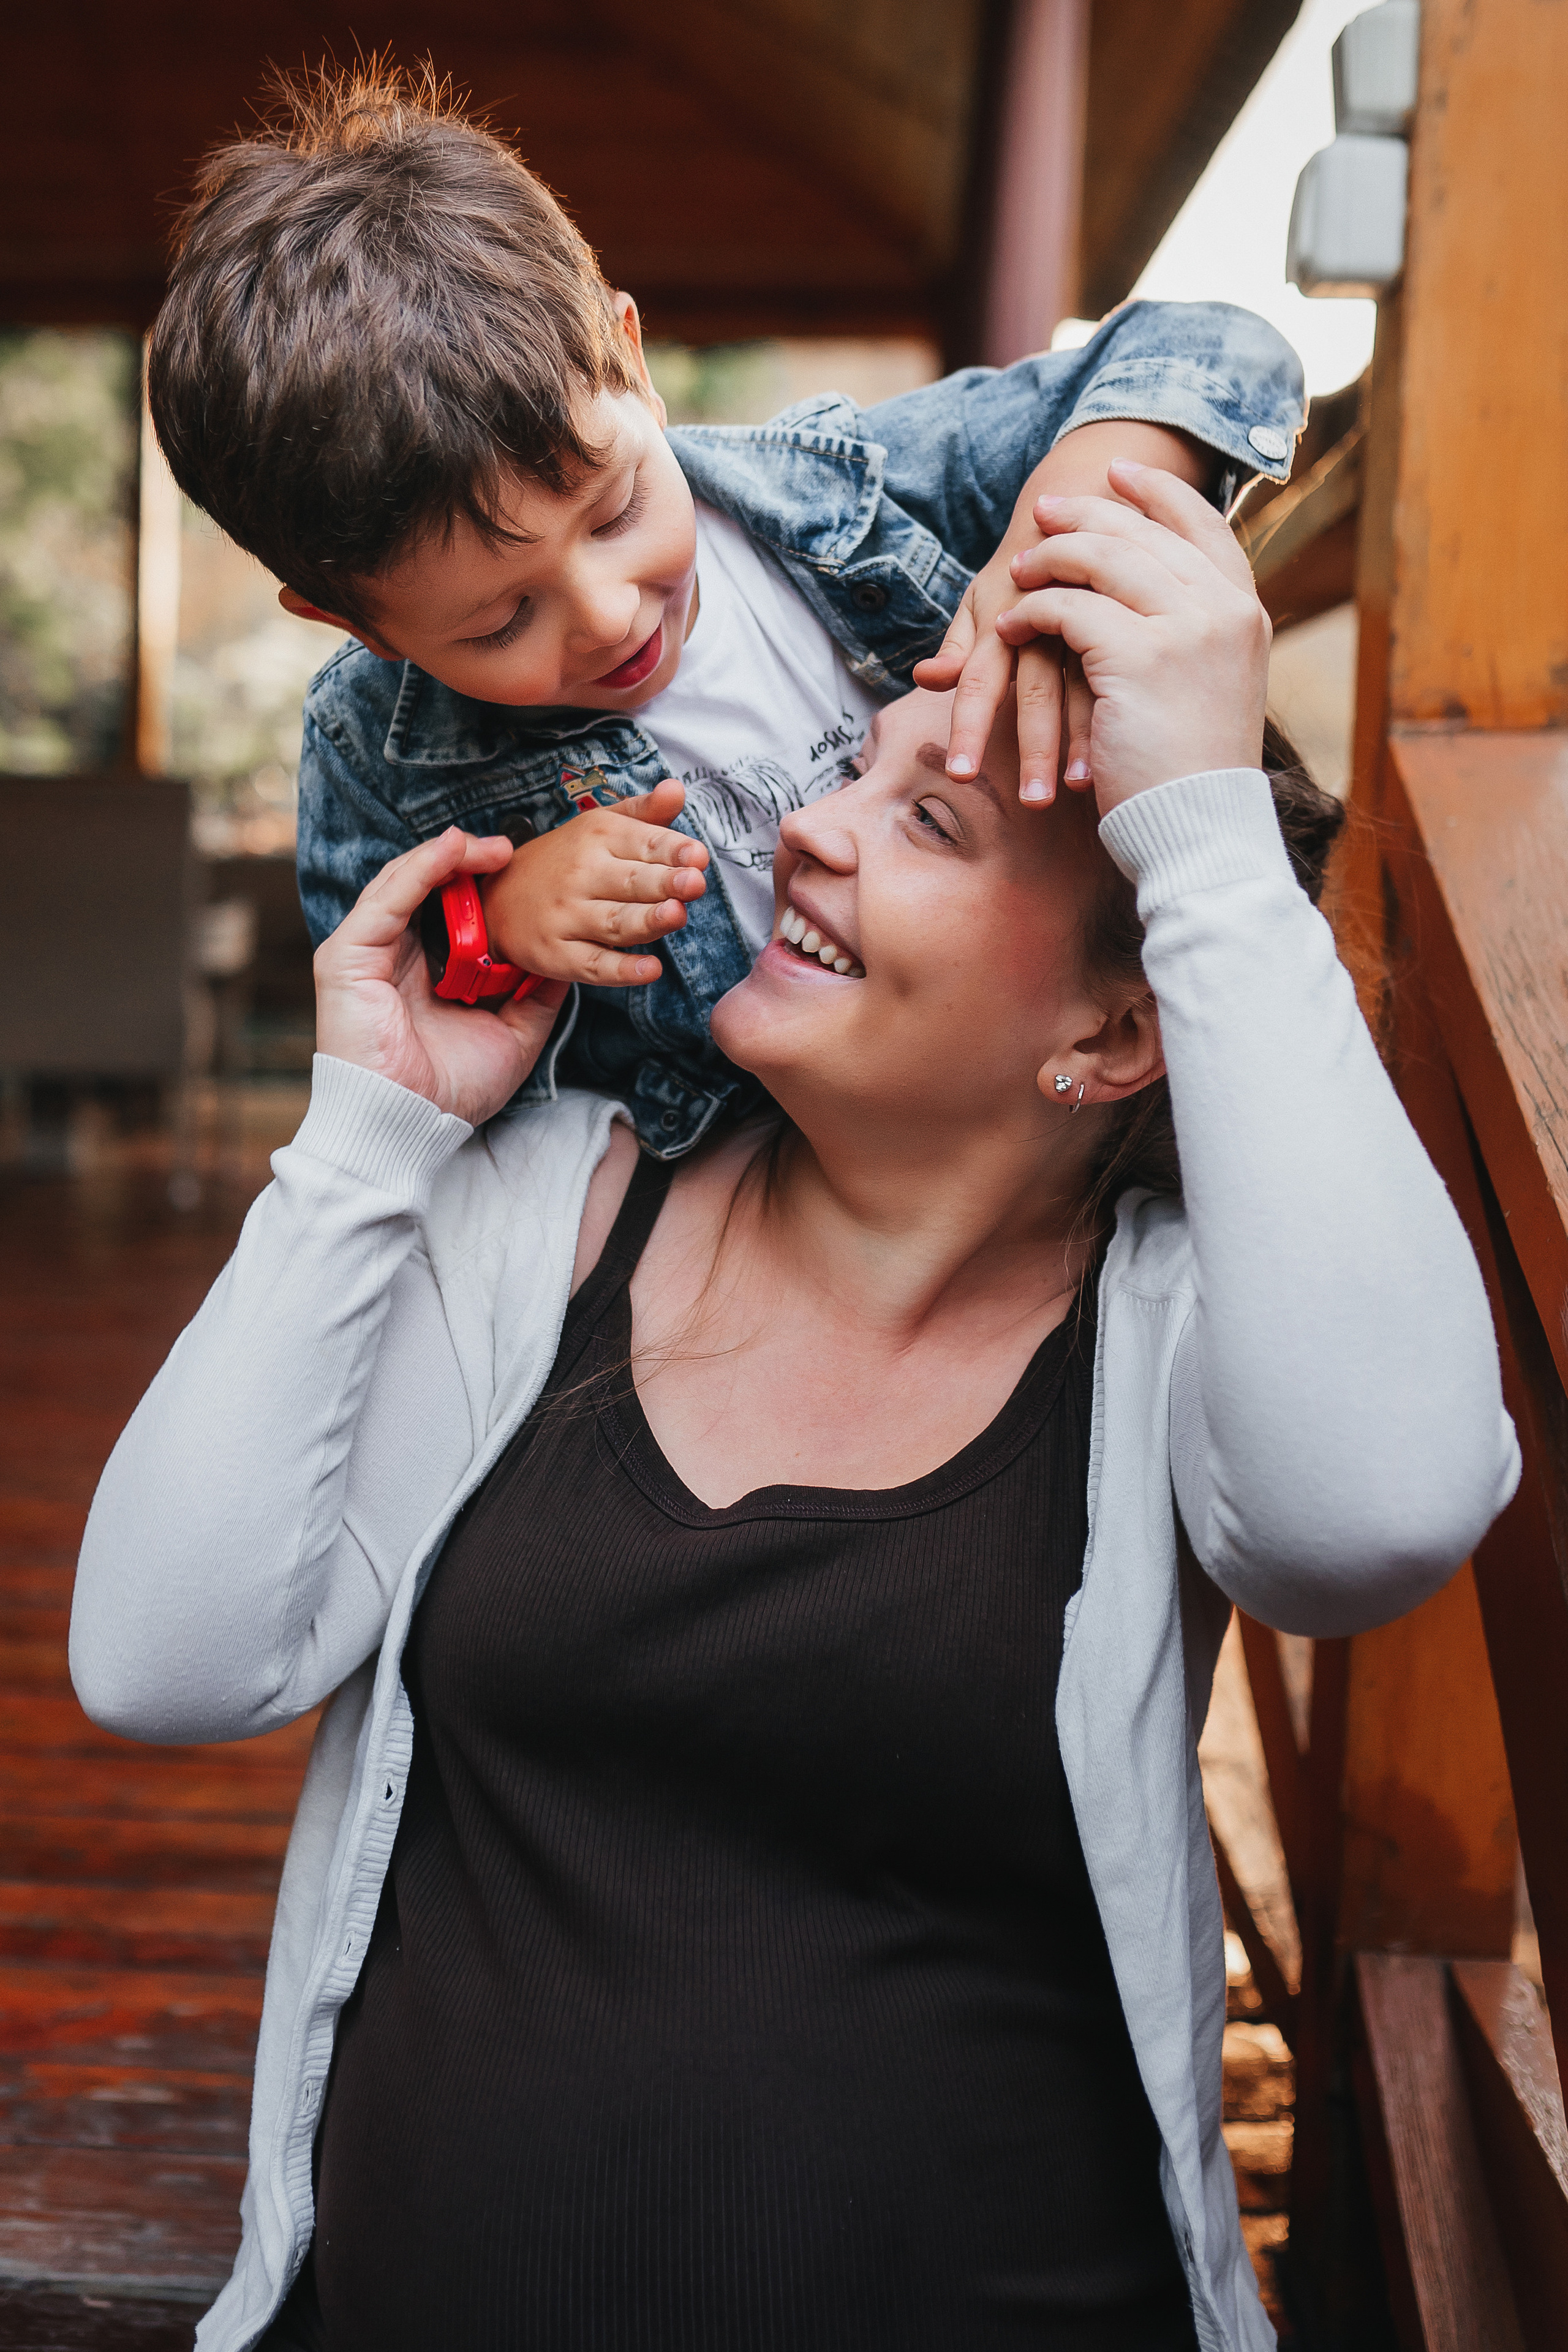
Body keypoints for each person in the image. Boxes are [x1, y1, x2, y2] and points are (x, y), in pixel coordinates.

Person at [71, 466, 1518, 2352]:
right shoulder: (541, 1205)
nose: (811, 835)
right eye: (851, 770)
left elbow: (1378, 1513)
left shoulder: (1171, 1328)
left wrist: (1214, 844)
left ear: (1113, 1027)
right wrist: (368, 1140)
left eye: (922, 816)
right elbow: (164, 1660)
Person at [145, 61, 1306, 1156]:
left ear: (632, 362)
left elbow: (1217, 348)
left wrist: (1053, 541)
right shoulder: (367, 745)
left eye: (615, 510)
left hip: (1038, 1134)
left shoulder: (847, 490)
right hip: (726, 1214)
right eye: (500, 622)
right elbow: (400, 1049)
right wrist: (496, 924)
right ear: (356, 623)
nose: (604, 615)